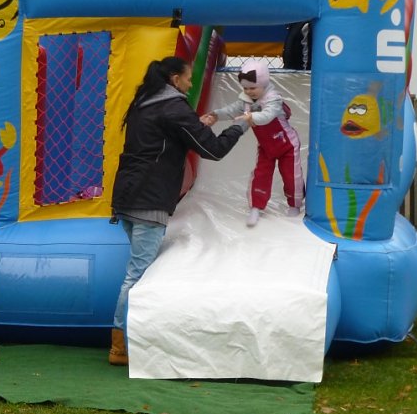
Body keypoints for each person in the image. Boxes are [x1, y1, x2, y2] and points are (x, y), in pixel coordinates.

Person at [110, 56, 247, 366]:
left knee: (139, 271)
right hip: (149, 199)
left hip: (128, 195)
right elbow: (213, 150)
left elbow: (163, 138)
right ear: (174, 79)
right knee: (137, 275)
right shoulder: (174, 106)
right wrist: (240, 126)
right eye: (187, 78)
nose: (191, 82)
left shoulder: (145, 102)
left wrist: (198, 125)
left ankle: (135, 337)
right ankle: (120, 344)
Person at [201, 60, 304, 227]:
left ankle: (295, 204)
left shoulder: (273, 99)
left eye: (253, 88)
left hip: (287, 146)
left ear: (264, 84)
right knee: (260, 175)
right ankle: (256, 207)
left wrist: (251, 117)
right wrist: (216, 115)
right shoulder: (246, 101)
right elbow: (232, 110)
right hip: (266, 146)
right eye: (245, 88)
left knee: (291, 176)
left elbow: (267, 116)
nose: (249, 91)